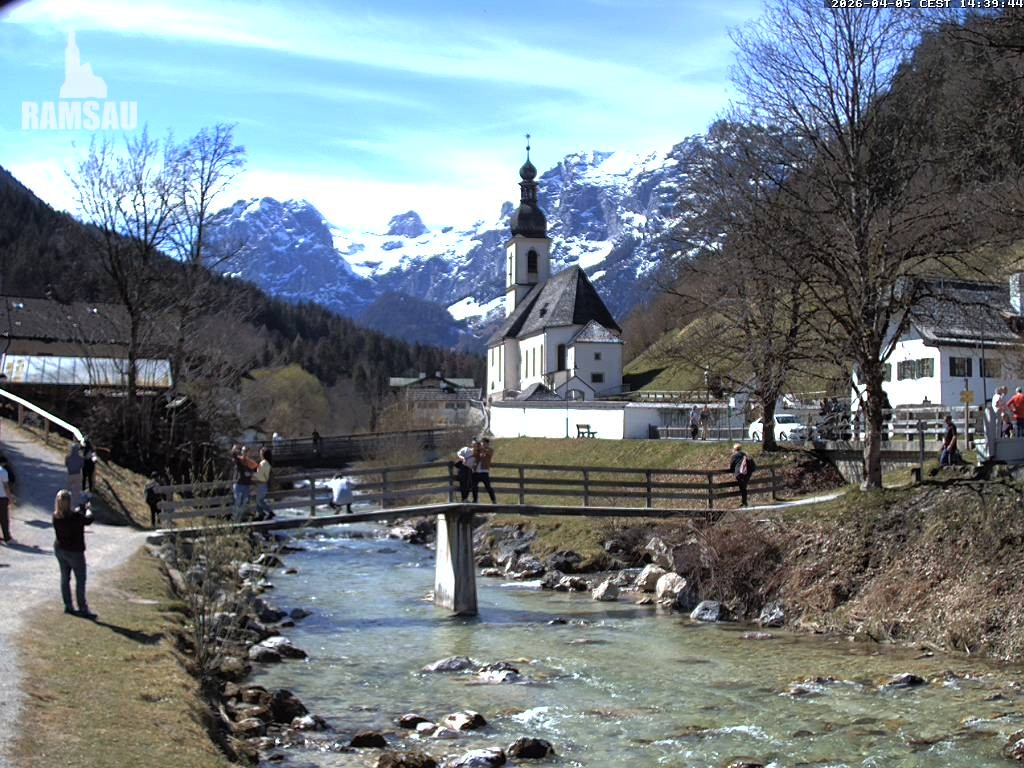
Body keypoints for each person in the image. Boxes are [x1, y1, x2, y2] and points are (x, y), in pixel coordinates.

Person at [52, 489, 95, 619]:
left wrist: (79, 511)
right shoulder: (75, 517)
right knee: (80, 579)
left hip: (60, 549)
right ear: (70, 502)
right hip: (75, 552)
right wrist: (88, 509)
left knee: (65, 578)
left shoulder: (55, 516)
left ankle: (68, 605)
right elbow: (88, 519)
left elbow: (72, 517)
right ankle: (82, 607)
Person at [231, 444, 255, 521]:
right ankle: (235, 520)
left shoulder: (251, 463)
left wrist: (251, 474)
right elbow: (233, 455)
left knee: (244, 504)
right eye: (243, 451)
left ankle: (239, 520)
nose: (244, 453)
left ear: (249, 453)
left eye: (245, 451)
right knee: (237, 502)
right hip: (238, 484)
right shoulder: (239, 460)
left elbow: (257, 471)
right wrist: (234, 449)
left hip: (247, 485)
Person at [729, 443, 756, 508]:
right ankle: (744, 502)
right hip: (748, 473)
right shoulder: (745, 454)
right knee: (743, 487)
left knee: (742, 487)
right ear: (741, 449)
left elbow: (732, 466)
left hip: (740, 473)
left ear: (734, 449)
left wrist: (733, 471)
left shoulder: (734, 456)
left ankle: (744, 502)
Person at [472, 438, 496, 504]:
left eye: (484, 443)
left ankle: (493, 500)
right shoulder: (479, 450)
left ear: (487, 443)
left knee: (488, 487)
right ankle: (475, 500)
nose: (483, 444)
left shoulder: (490, 450)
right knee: (474, 486)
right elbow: (474, 455)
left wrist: (481, 448)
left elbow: (488, 453)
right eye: (482, 443)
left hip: (484, 472)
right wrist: (476, 447)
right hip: (476, 471)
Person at [253, 447, 274, 520]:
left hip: (261, 484)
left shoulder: (263, 463)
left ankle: (270, 512)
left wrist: (251, 475)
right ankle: (260, 515)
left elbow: (259, 475)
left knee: (259, 501)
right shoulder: (268, 463)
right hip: (264, 484)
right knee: (258, 500)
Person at [0, 454, 13, 543]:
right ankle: (7, 537)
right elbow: (5, 486)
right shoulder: (3, 472)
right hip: (2, 497)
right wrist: (10, 497)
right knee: (4, 518)